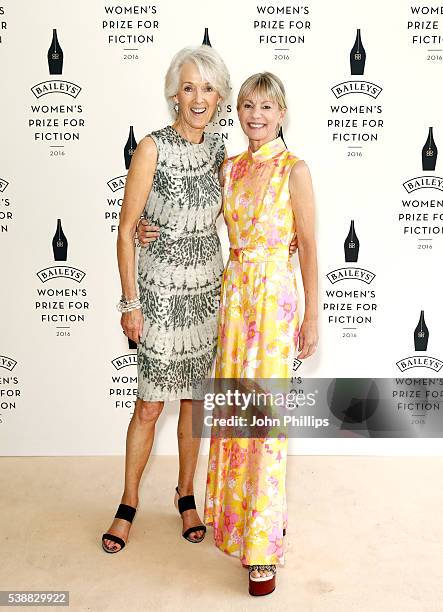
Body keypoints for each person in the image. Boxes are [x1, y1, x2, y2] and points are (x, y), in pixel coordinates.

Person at [101, 44, 231, 553]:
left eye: (207, 87)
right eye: (188, 87)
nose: (197, 97)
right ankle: (128, 501)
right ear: (174, 94)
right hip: (157, 295)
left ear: (219, 96)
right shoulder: (151, 147)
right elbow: (127, 229)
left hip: (206, 294)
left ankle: (185, 494)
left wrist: (278, 235)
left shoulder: (223, 151)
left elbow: (239, 211)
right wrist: (129, 304)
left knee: (194, 405)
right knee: (151, 406)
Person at [203, 72, 318, 596]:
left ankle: (263, 548)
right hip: (235, 297)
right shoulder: (228, 168)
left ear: (281, 113)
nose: (255, 115)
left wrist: (311, 315)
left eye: (266, 106)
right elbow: (197, 224)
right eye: (247, 105)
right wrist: (145, 227)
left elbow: (310, 247)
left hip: (275, 301)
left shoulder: (295, 171)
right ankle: (235, 522)